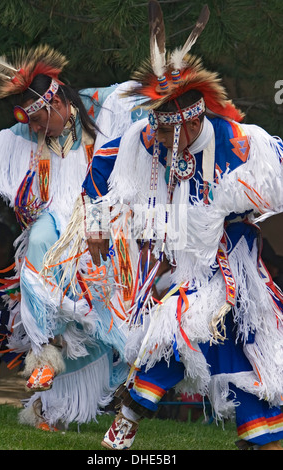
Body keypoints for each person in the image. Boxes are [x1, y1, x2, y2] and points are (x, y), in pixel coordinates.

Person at [60, 1, 283, 450]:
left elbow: (274, 184)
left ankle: (256, 438)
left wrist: (236, 203)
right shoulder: (142, 140)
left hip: (234, 265)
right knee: (183, 330)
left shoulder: (242, 144)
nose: (156, 139)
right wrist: (98, 224)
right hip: (181, 262)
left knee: (232, 343)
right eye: (155, 129)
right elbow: (101, 175)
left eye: (165, 131)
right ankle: (128, 424)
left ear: (193, 119)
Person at [0, 45, 143, 430]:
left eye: (40, 119)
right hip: (55, 221)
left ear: (57, 101)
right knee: (37, 242)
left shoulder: (103, 106)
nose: (35, 128)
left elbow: (146, 93)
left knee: (98, 317)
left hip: (102, 223)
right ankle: (46, 357)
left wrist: (165, 75)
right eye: (31, 122)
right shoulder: (19, 136)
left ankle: (62, 403)